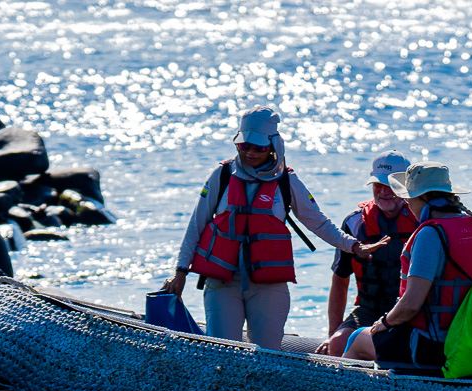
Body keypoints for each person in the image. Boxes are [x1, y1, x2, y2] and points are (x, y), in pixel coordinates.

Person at [163, 106, 385, 349]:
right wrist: (181, 270)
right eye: (243, 145)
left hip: (267, 287)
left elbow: (319, 223)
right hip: (223, 284)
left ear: (273, 146)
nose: (250, 153)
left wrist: (353, 245)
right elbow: (197, 223)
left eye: (258, 147)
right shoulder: (222, 174)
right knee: (223, 353)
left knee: (267, 356)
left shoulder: (286, 181)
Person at [344, 164, 472, 369]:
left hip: (432, 345)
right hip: (470, 338)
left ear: (422, 198)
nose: (407, 203)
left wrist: (384, 323)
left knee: (358, 338)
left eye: (409, 198)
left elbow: (412, 304)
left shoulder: (431, 234)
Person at [323, 151, 416, 352]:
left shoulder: (422, 222)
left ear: (406, 186)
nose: (385, 191)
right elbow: (340, 279)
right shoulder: (355, 223)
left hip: (411, 313)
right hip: (368, 310)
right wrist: (332, 333)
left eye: (392, 185)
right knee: (338, 343)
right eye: (378, 185)